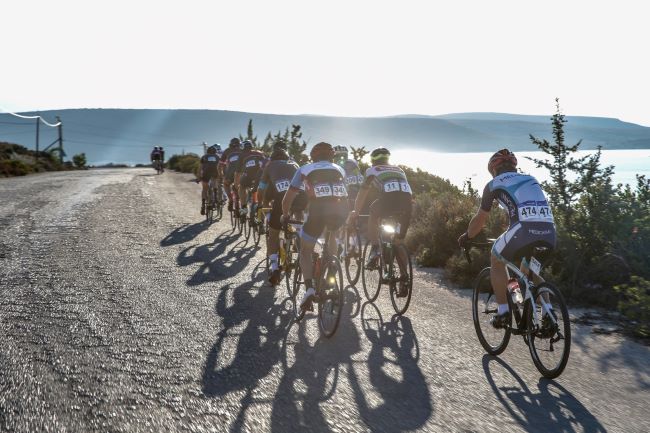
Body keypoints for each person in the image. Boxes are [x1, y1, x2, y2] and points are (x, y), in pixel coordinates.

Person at [457, 149, 556, 328]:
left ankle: (503, 311)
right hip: (549, 232)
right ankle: (548, 312)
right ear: (514, 166)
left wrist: (467, 236)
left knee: (497, 258)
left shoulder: (493, 184)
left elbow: (480, 219)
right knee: (529, 273)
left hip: (523, 231)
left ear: (494, 170)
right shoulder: (531, 178)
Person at [282, 142, 349, 311]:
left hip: (318, 210)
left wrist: (285, 214)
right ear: (331, 156)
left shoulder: (304, 169)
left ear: (313, 157)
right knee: (332, 234)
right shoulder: (340, 169)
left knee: (305, 251)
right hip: (341, 209)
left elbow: (289, 197)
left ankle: (309, 290)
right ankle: (332, 267)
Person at [348, 147, 413, 296]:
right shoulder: (399, 170)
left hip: (388, 201)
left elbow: (362, 193)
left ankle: (376, 248)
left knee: (373, 212)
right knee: (398, 242)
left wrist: (355, 212)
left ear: (373, 160)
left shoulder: (372, 170)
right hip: (406, 204)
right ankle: (404, 279)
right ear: (387, 159)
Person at [258, 142, 306, 285]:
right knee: (298, 212)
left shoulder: (270, 166)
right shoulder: (294, 164)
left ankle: (274, 268)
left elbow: (261, 189)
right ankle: (299, 235)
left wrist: (260, 205)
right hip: (301, 196)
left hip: (282, 198)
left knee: (273, 234)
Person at [235, 140, 266, 217]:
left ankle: (244, 208)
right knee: (262, 190)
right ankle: (260, 210)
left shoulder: (241, 155)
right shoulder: (259, 153)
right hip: (260, 175)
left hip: (247, 176)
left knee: (242, 188)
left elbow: (238, 173)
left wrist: (236, 185)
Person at [220, 138, 243, 212]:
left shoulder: (227, 151)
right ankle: (238, 201)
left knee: (226, 184)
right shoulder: (242, 150)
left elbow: (221, 163)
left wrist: (222, 174)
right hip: (242, 172)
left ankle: (230, 200)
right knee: (240, 186)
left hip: (230, 172)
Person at [198, 145, 221, 215]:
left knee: (204, 189)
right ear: (215, 151)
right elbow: (219, 167)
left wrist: (199, 177)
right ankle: (215, 197)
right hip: (214, 172)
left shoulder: (204, 157)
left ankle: (203, 205)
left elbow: (200, 168)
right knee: (215, 183)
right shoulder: (217, 157)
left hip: (206, 173)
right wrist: (220, 175)